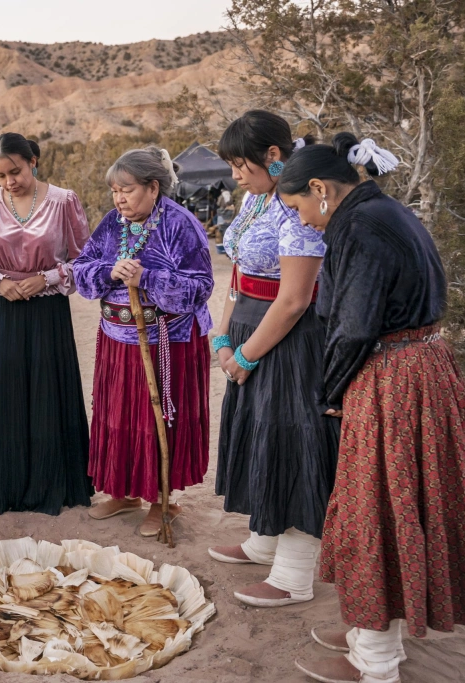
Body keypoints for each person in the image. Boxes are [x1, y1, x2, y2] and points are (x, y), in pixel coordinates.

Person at [276, 134, 465, 683]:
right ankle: (373, 627)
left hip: (394, 380)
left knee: (378, 510)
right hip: (422, 370)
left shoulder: (359, 226)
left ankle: (374, 661)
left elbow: (355, 325)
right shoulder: (385, 211)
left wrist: (330, 392)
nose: (304, 222)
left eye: (299, 208)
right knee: (400, 504)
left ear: (320, 189)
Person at [205, 111, 340, 608]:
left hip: (289, 342)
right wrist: (222, 334)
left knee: (292, 441)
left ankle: (294, 575)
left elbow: (295, 299)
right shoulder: (257, 198)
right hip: (249, 330)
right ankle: (264, 539)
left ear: (275, 157)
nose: (235, 175)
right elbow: (240, 271)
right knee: (260, 435)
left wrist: (246, 353)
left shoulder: (296, 208)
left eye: (242, 164)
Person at [73, 146, 214, 537]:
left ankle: (163, 500)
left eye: (127, 189)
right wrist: (109, 270)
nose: (119, 198)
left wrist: (147, 278)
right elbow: (82, 269)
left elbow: (200, 288)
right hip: (118, 340)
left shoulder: (179, 224)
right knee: (119, 418)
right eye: (115, 190)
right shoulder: (113, 223)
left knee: (159, 421)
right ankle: (125, 492)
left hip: (169, 344)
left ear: (153, 187)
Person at [0, 132, 93, 514]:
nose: (8, 182)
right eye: (1, 175)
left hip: (47, 312)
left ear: (33, 160)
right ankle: (0, 488)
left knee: (47, 395)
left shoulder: (64, 201)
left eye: (15, 171)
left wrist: (48, 278)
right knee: (0, 396)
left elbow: (85, 261)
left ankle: (52, 486)